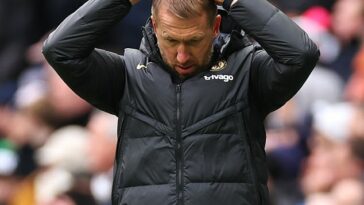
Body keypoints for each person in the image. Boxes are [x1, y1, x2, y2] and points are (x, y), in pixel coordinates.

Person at [42, 0, 319, 204]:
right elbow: (60, 50)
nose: (182, 55)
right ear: (153, 25)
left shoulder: (247, 71)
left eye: (194, 40)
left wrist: (237, 2)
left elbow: (301, 54)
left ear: (216, 26)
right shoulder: (127, 75)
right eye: (171, 40)